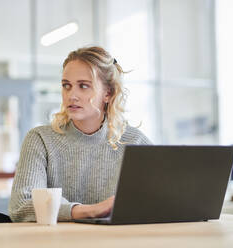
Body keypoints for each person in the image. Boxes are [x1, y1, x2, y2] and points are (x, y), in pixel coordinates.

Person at [9, 46, 151, 222]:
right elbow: (21, 205)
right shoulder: (40, 140)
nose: (72, 95)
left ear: (108, 93)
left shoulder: (135, 141)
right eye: (66, 86)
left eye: (83, 86)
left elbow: (161, 203)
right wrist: (90, 211)